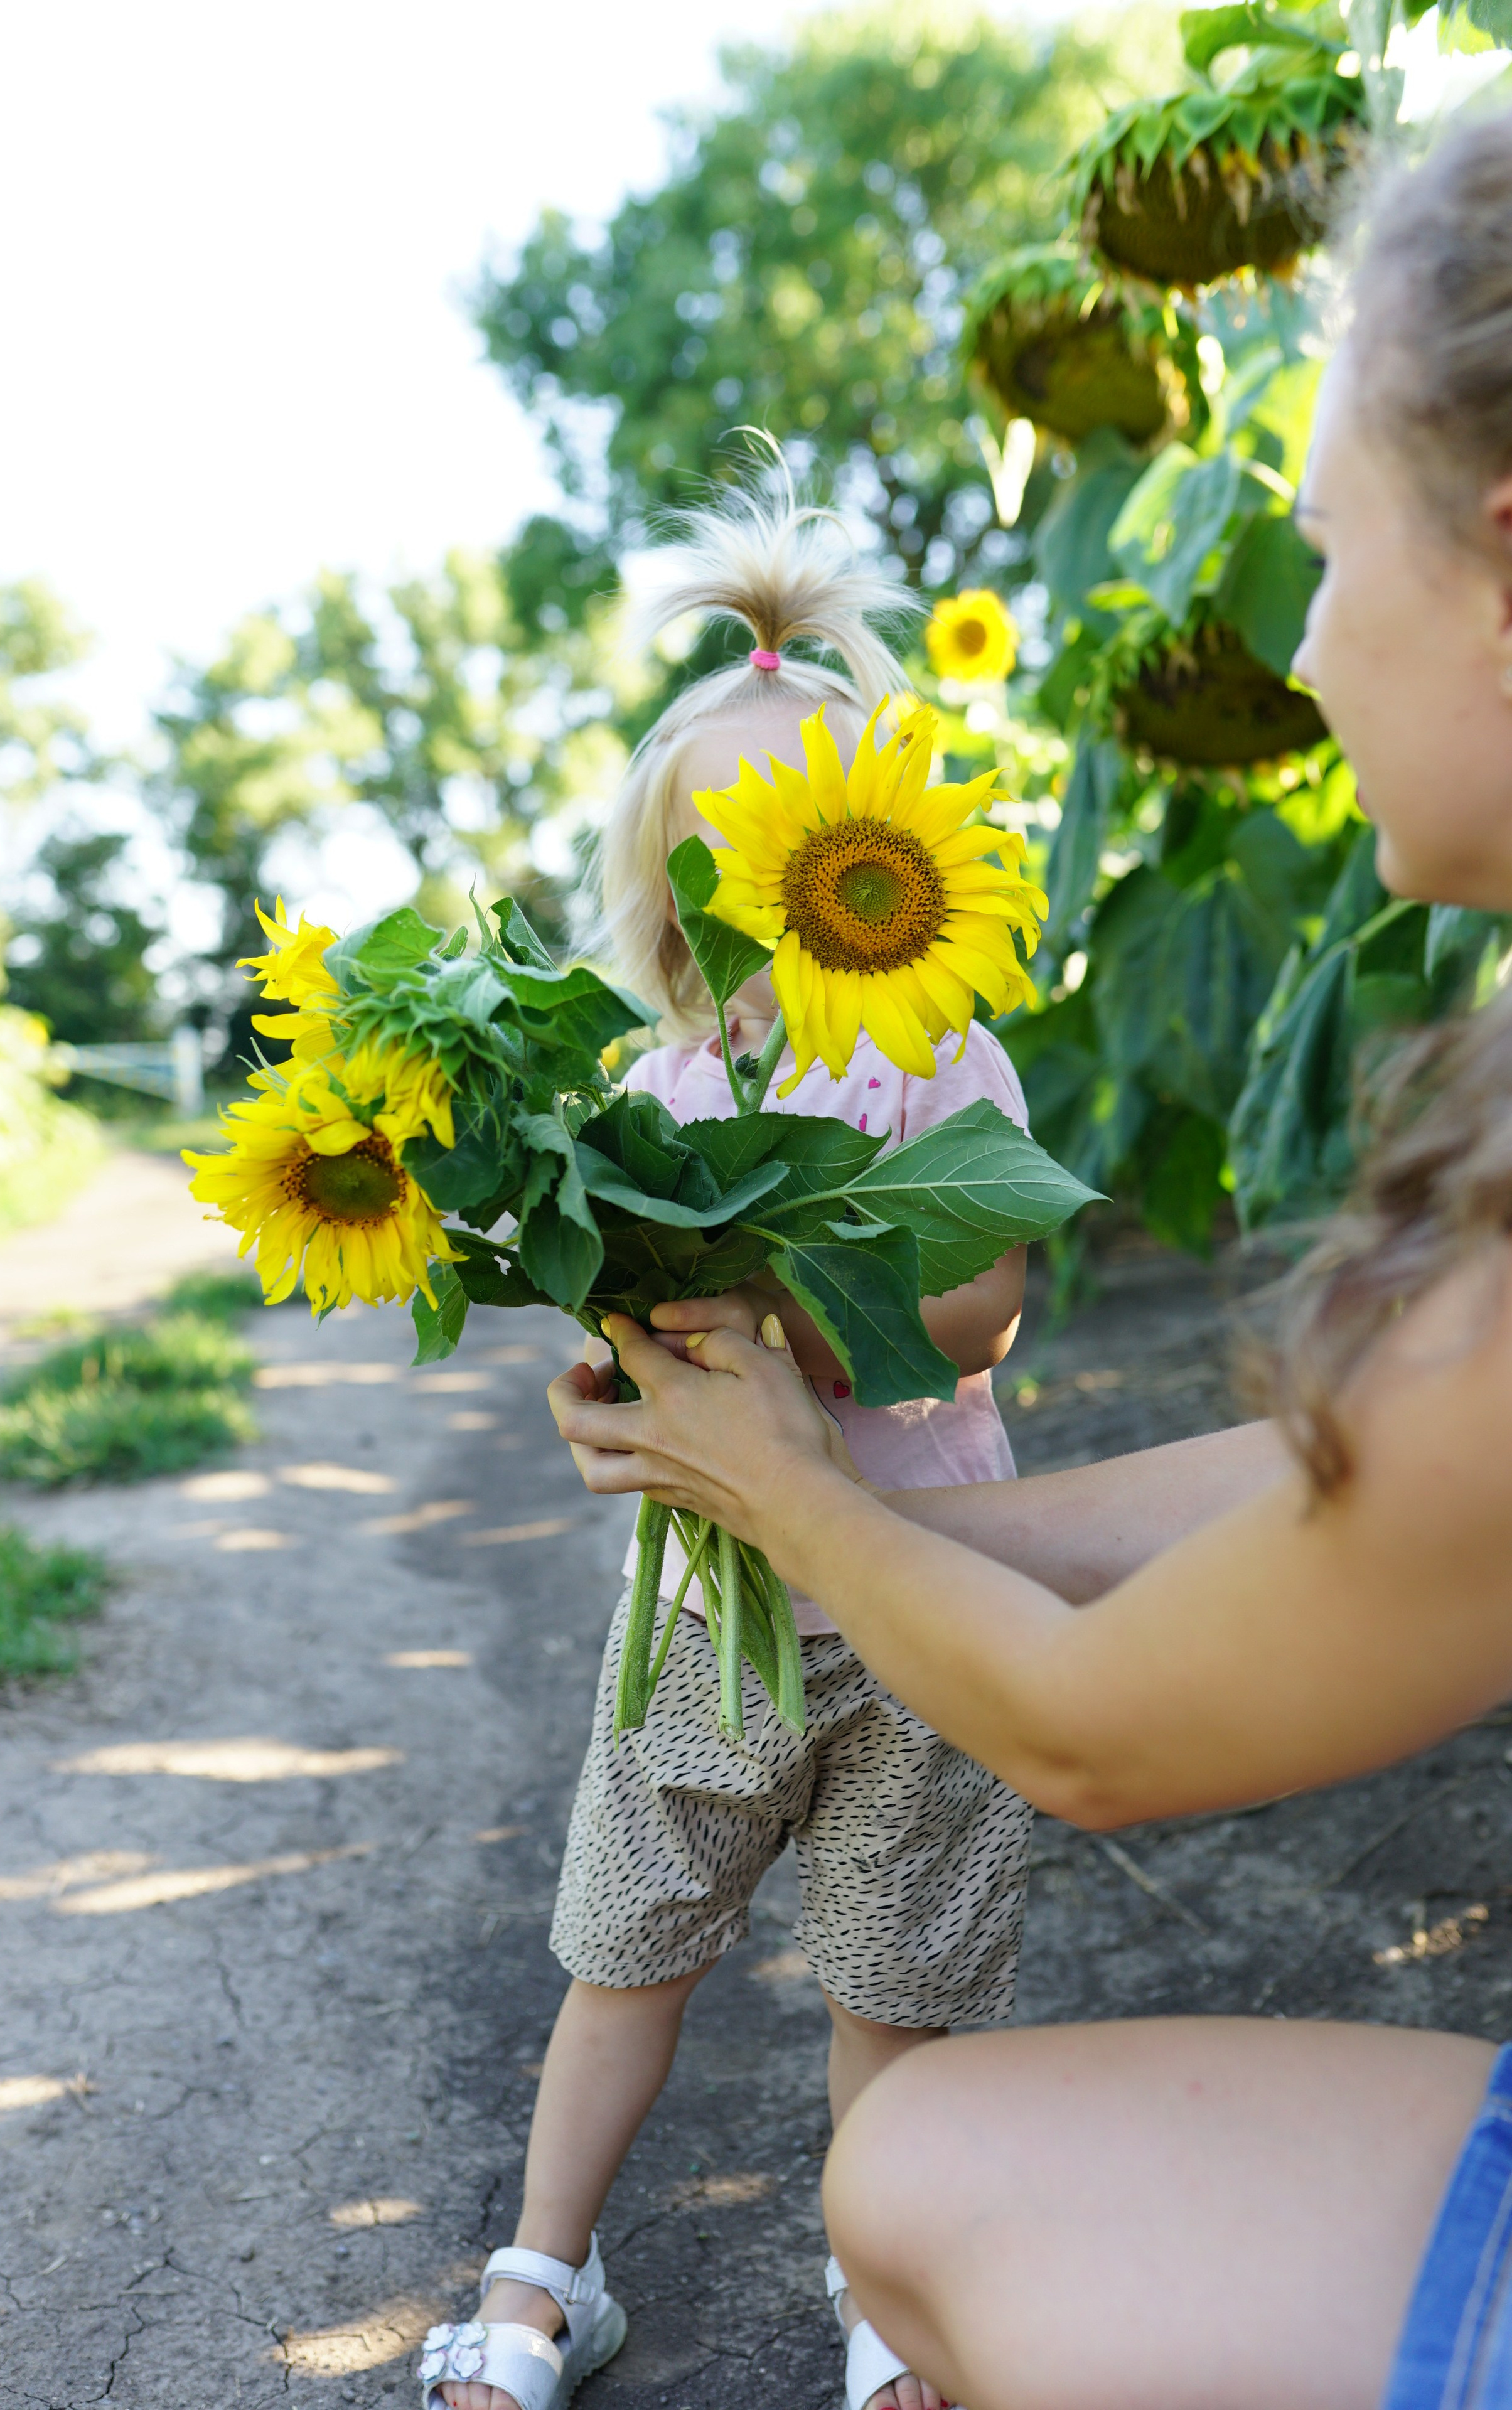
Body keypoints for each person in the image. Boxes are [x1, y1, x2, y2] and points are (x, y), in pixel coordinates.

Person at [547, 115, 1512, 2407]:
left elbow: (1094, 1730)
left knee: (944, 2164)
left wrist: (793, 1494)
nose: (1295, 635)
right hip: (818, 1570)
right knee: (937, 2160)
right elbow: (1338, 1503)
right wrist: (805, 1473)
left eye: (1320, 548)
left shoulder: (939, 1064)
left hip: (879, 1616)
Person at [425, 491, 1039, 2410]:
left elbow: (989, 1306)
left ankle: (884, 2300)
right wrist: (608, 1381)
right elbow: (619, 1328)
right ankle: (544, 2274)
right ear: (673, 884)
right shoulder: (653, 1091)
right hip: (705, 1607)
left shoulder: (937, 1051)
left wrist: (804, 1298)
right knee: (626, 1945)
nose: (768, 891)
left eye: (811, 845)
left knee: (894, 1975)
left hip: (926, 1592)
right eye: (725, 858)